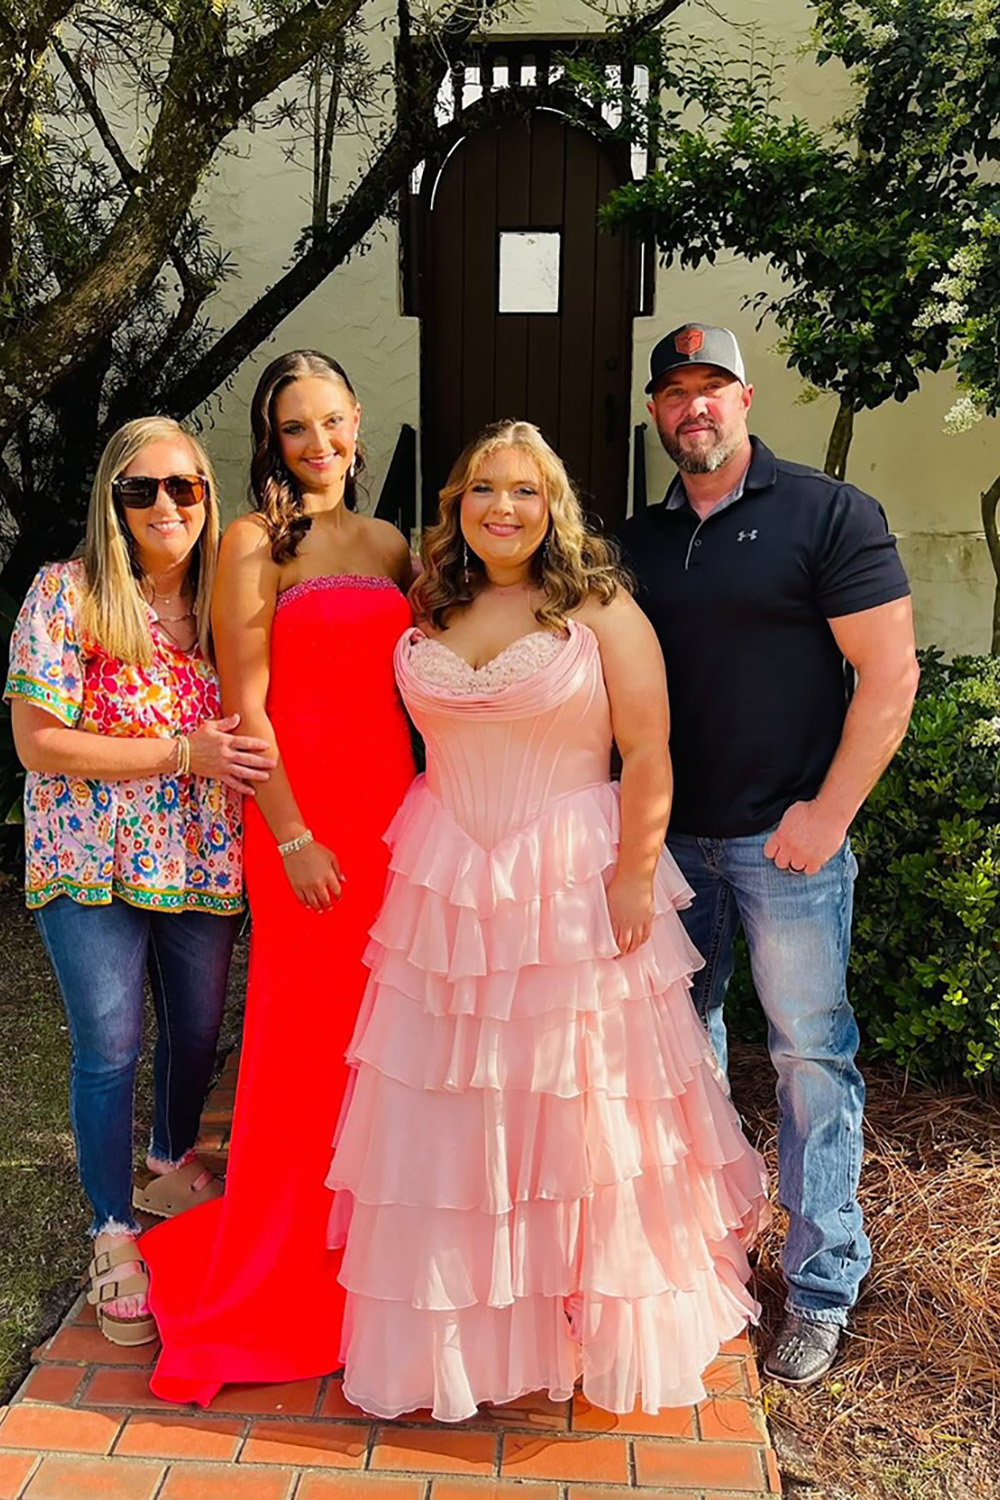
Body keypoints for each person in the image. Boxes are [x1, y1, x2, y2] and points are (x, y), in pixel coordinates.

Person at [325, 419, 769, 1422]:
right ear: (457, 506)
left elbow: (647, 750)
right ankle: (472, 1333)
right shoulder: (428, 606)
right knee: (455, 1105)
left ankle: (585, 1318)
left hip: (572, 871)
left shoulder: (596, 606)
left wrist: (632, 872)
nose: (502, 507)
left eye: (525, 490)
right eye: (483, 488)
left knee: (580, 1110)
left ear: (552, 506)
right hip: (444, 875)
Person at [616, 323, 919, 1386]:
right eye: (673, 392)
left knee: (807, 1060)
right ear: (655, 412)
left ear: (745, 400)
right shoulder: (634, 543)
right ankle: (703, 1263)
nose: (692, 407)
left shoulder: (827, 514)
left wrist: (828, 815)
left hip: (784, 847)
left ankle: (823, 1283)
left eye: (712, 388)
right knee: (679, 1063)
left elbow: (887, 674)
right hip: (670, 849)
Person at [142, 350, 416, 1403]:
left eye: (333, 421)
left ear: (357, 421)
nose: (318, 444)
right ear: (272, 439)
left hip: (396, 814)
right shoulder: (254, 543)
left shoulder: (390, 544)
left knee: (389, 1038)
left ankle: (385, 1263)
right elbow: (245, 707)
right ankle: (292, 1262)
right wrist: (295, 835)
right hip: (302, 818)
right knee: (307, 1039)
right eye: (295, 427)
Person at [4, 417, 273, 1346]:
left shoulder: (232, 602)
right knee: (112, 1044)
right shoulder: (67, 594)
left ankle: (169, 1157)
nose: (167, 505)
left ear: (209, 494)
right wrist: (178, 751)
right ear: (112, 500)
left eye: (186, 487)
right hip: (91, 856)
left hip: (199, 856)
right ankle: (113, 1230)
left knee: (199, 1028)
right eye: (142, 489)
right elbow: (36, 741)